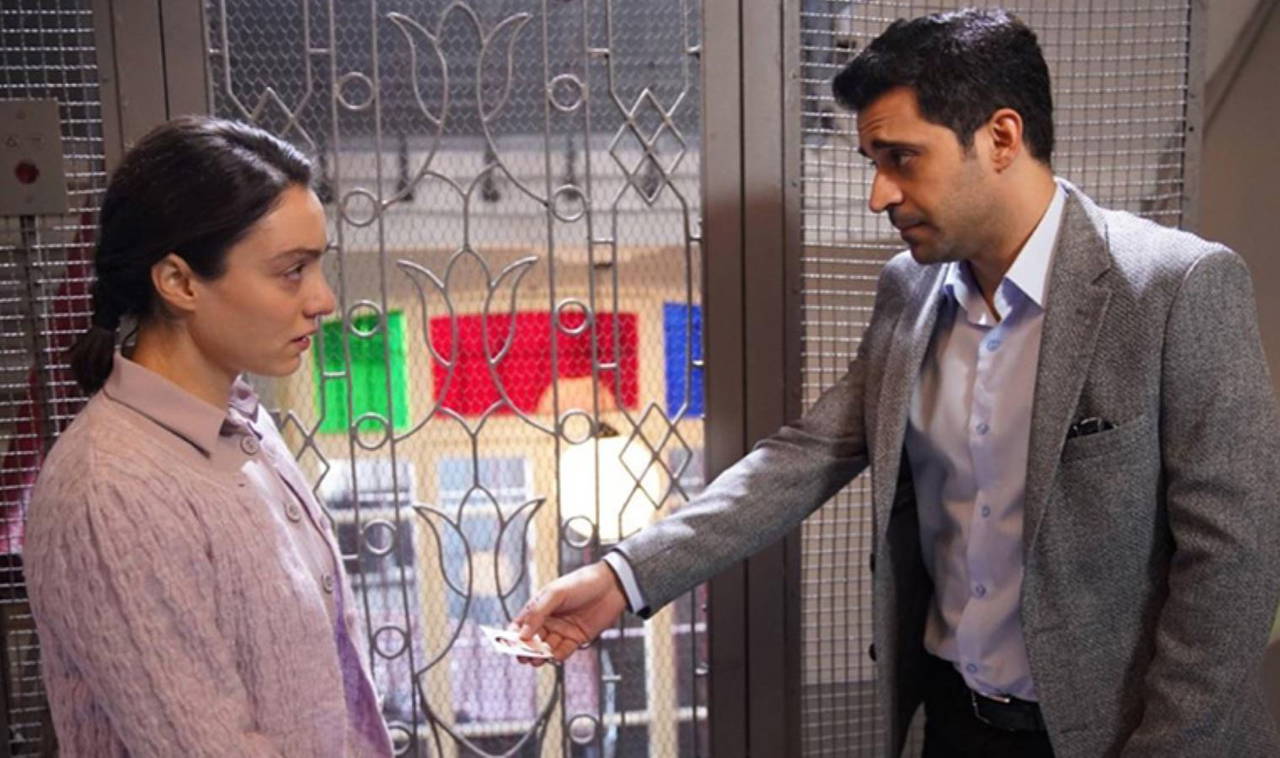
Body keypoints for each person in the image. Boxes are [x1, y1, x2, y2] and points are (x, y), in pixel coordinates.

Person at [513, 9, 1280, 757]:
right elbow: (802, 455)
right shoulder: (909, 291)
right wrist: (622, 576)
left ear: (1001, 137)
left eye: (901, 158)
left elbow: (1236, 562)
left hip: (1121, 735)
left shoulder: (1174, 287)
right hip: (953, 723)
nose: (878, 194)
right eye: (871, 163)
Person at [25, 116, 394, 757]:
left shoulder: (242, 419)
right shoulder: (112, 491)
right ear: (179, 282)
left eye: (318, 266)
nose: (323, 300)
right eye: (292, 270)